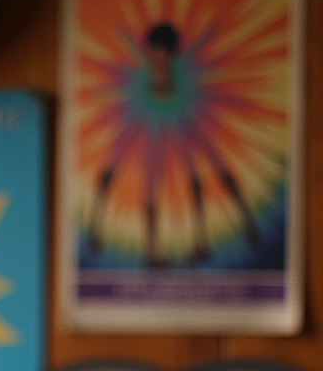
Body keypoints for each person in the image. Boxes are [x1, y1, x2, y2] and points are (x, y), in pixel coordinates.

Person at [87, 21, 259, 267]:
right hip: (146, 121)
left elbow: (198, 53)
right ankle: (147, 248)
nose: (157, 59)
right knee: (138, 179)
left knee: (204, 172)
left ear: (172, 54)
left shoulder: (183, 85)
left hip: (180, 119)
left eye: (163, 52)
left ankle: (224, 232)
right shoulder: (139, 87)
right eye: (153, 52)